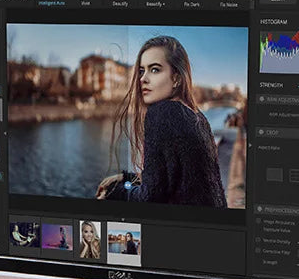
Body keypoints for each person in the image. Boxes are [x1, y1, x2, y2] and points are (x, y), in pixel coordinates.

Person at [96, 36, 226, 208]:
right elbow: (171, 180)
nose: (143, 79)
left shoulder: (162, 112)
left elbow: (149, 198)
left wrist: (114, 192)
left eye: (155, 70)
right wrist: (127, 178)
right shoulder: (198, 117)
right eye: (141, 71)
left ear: (176, 78)